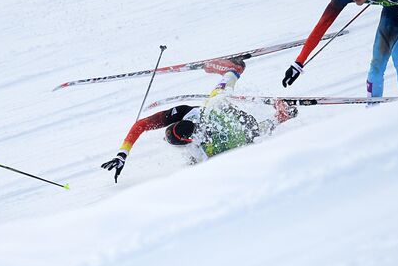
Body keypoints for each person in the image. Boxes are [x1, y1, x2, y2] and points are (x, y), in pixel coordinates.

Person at [101, 58, 297, 182]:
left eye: (194, 127)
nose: (196, 130)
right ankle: (281, 117)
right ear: (188, 141)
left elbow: (140, 125)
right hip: (224, 137)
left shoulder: (180, 113)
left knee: (216, 98)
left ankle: (233, 70)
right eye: (194, 134)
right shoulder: (194, 151)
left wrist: (122, 154)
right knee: (245, 138)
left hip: (219, 112)